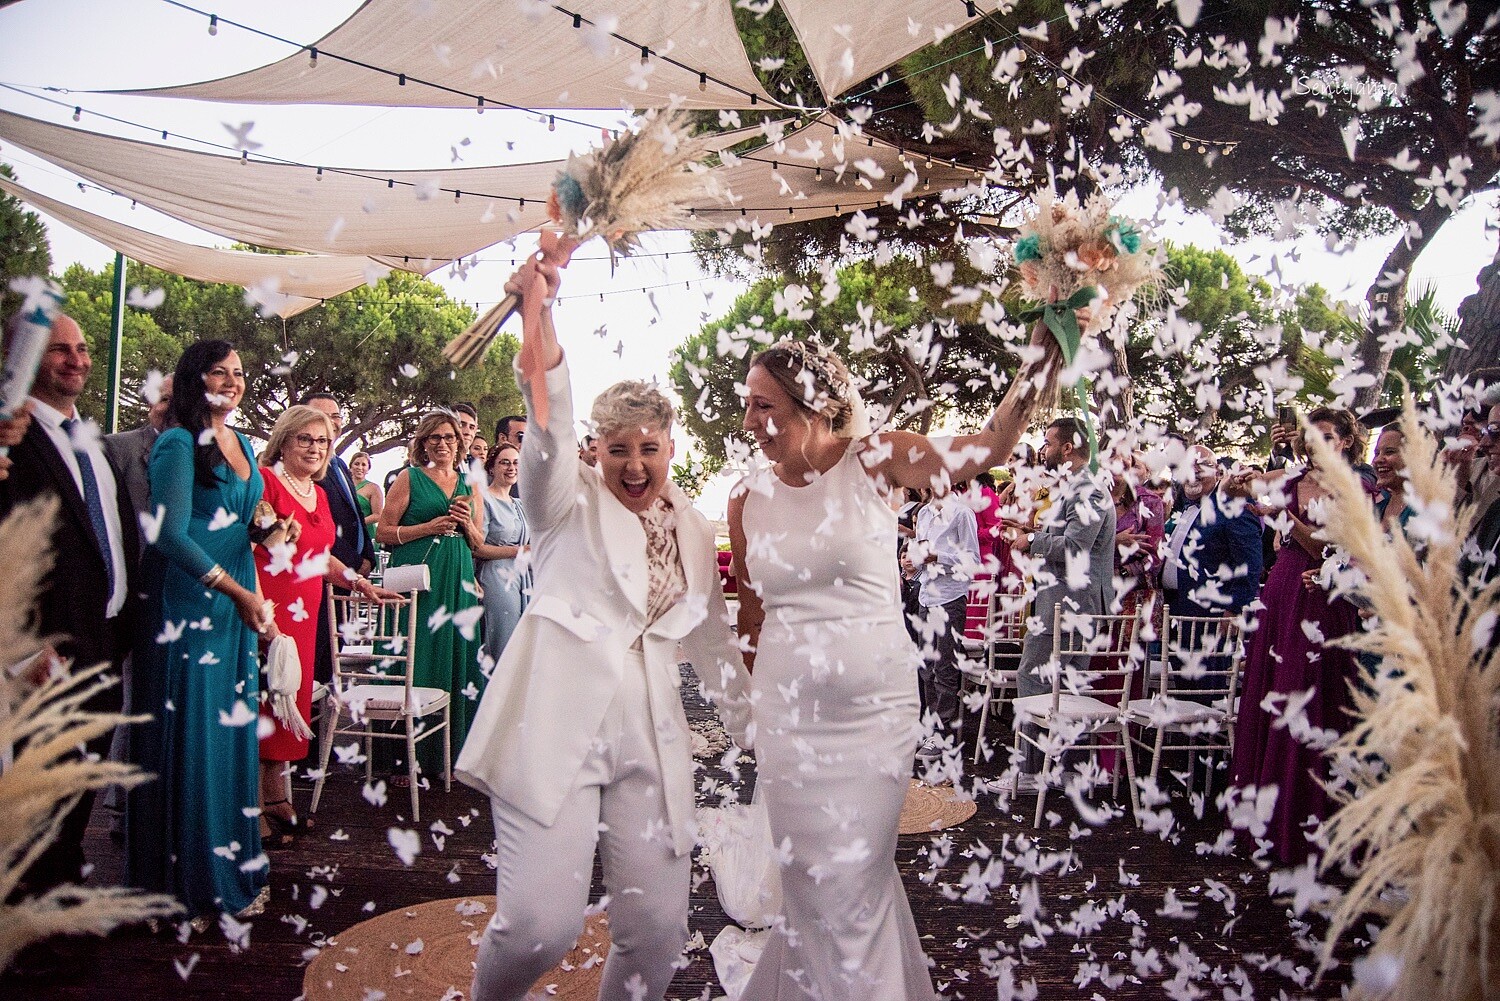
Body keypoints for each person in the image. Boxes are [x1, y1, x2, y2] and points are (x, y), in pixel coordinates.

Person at [456, 251, 749, 1001]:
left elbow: (709, 639)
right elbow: (546, 429)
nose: (634, 463)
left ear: (671, 448)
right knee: (538, 928)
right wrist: (541, 316)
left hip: (654, 737)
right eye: (619, 447)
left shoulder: (692, 525)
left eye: (649, 447)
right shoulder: (564, 500)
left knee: (656, 935)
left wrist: (748, 734)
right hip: (552, 725)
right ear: (597, 447)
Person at [729, 326, 1049, 1001]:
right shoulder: (745, 498)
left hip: (872, 714)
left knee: (854, 877)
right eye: (749, 404)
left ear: (809, 401)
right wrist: (749, 711)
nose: (751, 420)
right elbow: (752, 617)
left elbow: (989, 446)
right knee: (810, 884)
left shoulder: (877, 459)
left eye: (764, 404)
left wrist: (1042, 358)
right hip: (787, 720)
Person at [127, 339, 277, 923]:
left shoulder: (243, 443)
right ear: (196, 379)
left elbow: (247, 526)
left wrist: (259, 589)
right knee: (192, 738)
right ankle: (183, 880)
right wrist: (237, 591)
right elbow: (166, 534)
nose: (234, 381)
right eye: (221, 371)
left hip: (235, 611)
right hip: (187, 607)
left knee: (230, 736)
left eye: (240, 372)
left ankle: (232, 867)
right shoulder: (176, 442)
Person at [0, 313, 137, 913]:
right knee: (40, 792)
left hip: (105, 638)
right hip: (46, 649)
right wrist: (23, 647)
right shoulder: (13, 441)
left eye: (82, 348)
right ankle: (34, 918)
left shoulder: (91, 440)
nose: (77, 360)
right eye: (59, 351)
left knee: (77, 786)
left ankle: (59, 901)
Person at [1229, 406, 1374, 864]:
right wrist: (1240, 480)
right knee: (1271, 692)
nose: (1315, 445)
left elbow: (1328, 547)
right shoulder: (1292, 480)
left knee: (1305, 695)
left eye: (1326, 436)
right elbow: (1242, 486)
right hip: (1283, 588)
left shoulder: (1356, 488)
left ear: (1348, 442)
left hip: (1322, 594)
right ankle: (1259, 820)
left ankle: (1299, 824)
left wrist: (1282, 520)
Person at [254, 407, 392, 846]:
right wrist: (259, 611)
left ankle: (275, 800)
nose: (315, 448)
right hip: (268, 610)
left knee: (287, 701)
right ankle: (249, 810)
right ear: (284, 441)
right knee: (261, 702)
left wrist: (359, 582)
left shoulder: (320, 493)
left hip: (307, 610)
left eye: (323, 441)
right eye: (305, 439)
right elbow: (246, 544)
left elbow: (320, 556)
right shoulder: (264, 481)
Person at [375, 410, 484, 780]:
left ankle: (452, 754)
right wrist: (428, 527)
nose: (442, 444)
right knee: (418, 652)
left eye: (449, 438)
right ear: (422, 443)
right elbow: (384, 533)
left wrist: (466, 524)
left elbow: (480, 542)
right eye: (434, 438)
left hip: (458, 573)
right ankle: (408, 757)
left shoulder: (470, 484)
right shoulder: (409, 478)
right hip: (417, 574)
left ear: (459, 443)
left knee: (456, 652)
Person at [1009, 417, 1117, 780]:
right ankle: (1065, 774)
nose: (1043, 450)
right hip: (1065, 601)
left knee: (1035, 678)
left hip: (1070, 604)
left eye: (1048, 442)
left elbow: (1076, 547)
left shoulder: (1088, 488)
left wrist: (1033, 542)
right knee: (1065, 686)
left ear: (1067, 448)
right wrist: (1035, 533)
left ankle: (1029, 772)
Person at [904, 485, 981, 760]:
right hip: (926, 595)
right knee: (926, 669)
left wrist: (939, 558)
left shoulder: (962, 514)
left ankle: (943, 735)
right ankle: (930, 729)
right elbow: (924, 555)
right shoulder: (923, 513)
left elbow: (973, 561)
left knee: (944, 669)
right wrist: (916, 563)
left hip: (950, 597)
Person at [103, 373, 173, 556]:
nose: (174, 409)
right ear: (151, 405)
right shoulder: (116, 448)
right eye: (165, 399)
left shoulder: (208, 457)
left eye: (182, 401)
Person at [475, 442, 529, 670]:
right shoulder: (484, 500)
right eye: (504, 462)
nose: (511, 467)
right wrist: (520, 551)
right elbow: (477, 547)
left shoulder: (519, 504)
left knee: (521, 643)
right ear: (491, 468)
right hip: (496, 577)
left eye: (515, 462)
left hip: (522, 578)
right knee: (501, 643)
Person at [348, 450, 384, 541]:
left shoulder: (374, 488)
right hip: (344, 531)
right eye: (356, 464)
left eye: (363, 465)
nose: (360, 467)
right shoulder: (344, 486)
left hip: (365, 533)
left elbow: (378, 515)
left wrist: (358, 523)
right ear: (351, 466)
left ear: (368, 469)